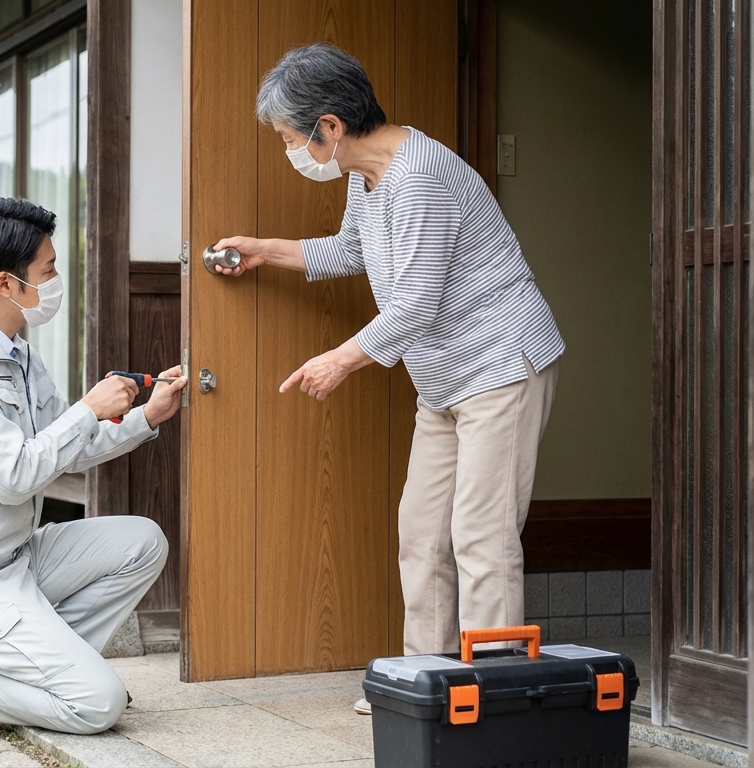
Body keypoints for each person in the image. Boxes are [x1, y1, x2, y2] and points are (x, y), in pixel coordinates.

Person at [212, 43, 564, 715]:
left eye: (293, 139)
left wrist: (338, 359)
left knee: (482, 535)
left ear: (332, 127)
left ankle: (492, 692)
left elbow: (415, 303)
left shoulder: (421, 174)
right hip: (443, 379)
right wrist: (268, 250)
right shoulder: (364, 174)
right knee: (423, 532)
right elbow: (352, 250)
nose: (292, 152)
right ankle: (425, 683)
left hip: (499, 363)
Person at [0, 196, 187, 735]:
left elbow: (66, 447)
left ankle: (52, 673)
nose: (56, 279)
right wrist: (88, 408)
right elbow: (15, 476)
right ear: (7, 284)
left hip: (15, 560)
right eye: (47, 269)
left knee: (142, 541)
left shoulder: (19, 353)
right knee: (97, 706)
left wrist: (147, 416)